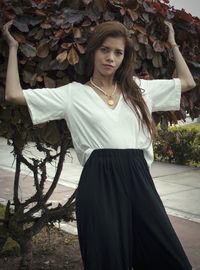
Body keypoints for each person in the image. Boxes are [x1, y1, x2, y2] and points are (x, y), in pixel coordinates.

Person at [3, 19, 196, 270]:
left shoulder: (139, 90)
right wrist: (14, 48)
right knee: (107, 259)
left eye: (118, 52)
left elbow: (187, 83)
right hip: (99, 182)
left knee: (169, 257)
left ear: (124, 58)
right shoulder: (72, 94)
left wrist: (173, 45)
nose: (110, 58)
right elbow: (13, 95)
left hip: (139, 179)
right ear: (93, 51)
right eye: (105, 50)